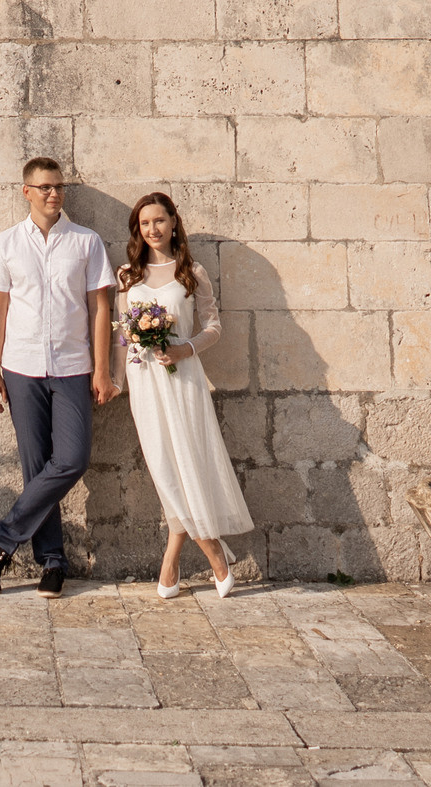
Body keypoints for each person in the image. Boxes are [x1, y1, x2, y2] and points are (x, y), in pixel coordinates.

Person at [0, 156, 118, 598]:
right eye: (44, 187)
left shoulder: (86, 242)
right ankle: (53, 562)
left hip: (73, 367)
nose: (53, 193)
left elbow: (101, 308)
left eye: (58, 186)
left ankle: (4, 535)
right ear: (27, 191)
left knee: (72, 460)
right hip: (20, 368)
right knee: (35, 467)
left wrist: (103, 370)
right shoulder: (5, 244)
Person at [115, 191, 253, 598]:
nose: (152, 229)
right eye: (144, 223)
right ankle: (213, 550)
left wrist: (183, 348)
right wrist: (116, 378)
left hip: (183, 376)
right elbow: (123, 332)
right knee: (162, 466)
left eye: (159, 220)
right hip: (145, 380)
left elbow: (213, 326)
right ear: (138, 230)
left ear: (174, 223)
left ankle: (173, 560)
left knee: (188, 464)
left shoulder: (192, 271)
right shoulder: (128, 274)